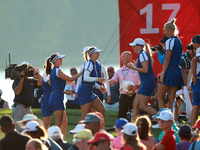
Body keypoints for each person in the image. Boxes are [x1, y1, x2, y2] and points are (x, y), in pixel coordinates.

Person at [48, 53, 82, 136]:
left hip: (55, 95)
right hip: (57, 97)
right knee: (58, 122)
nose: (61, 60)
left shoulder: (53, 71)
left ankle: (55, 138)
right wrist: (82, 72)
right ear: (55, 61)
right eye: (60, 59)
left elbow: (57, 85)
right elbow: (70, 78)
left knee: (61, 120)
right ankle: (52, 139)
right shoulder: (57, 71)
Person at [156, 18, 184, 110]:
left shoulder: (169, 41)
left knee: (159, 96)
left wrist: (163, 73)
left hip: (170, 70)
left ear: (168, 30)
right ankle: (173, 119)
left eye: (164, 30)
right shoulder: (178, 41)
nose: (164, 32)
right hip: (177, 70)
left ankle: (163, 117)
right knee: (172, 98)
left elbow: (167, 59)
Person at [127, 38, 157, 120]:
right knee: (135, 103)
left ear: (139, 46)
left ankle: (162, 119)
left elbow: (145, 70)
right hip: (145, 82)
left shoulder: (142, 54)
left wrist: (133, 67)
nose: (133, 48)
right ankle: (133, 123)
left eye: (134, 46)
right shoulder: (142, 54)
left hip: (148, 82)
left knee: (143, 106)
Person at [74, 46, 106, 121]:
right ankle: (78, 131)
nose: (98, 54)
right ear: (91, 54)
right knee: (84, 116)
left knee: (101, 109)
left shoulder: (94, 64)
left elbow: (90, 80)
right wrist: (98, 79)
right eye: (97, 53)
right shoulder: (89, 64)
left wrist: (99, 87)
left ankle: (94, 128)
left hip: (90, 92)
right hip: (84, 92)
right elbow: (85, 78)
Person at [12, 61, 42, 132]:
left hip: (28, 108)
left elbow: (41, 82)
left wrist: (36, 72)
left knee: (33, 128)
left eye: (29, 70)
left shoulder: (31, 81)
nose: (28, 71)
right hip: (19, 107)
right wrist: (22, 79)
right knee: (19, 130)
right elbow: (17, 92)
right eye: (26, 70)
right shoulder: (17, 80)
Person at [109, 51, 140, 119]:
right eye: (121, 57)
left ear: (129, 58)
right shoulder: (119, 71)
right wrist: (102, 82)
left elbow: (143, 82)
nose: (121, 59)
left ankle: (134, 128)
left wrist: (137, 86)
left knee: (135, 116)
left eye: (123, 57)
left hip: (135, 96)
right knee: (121, 116)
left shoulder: (136, 70)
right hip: (123, 96)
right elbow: (112, 82)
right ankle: (120, 128)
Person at [190, 35, 200, 127]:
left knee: (196, 105)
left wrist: (193, 77)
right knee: (196, 105)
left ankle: (193, 128)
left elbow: (194, 60)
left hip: (197, 81)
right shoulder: (198, 51)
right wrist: (194, 77)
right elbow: (194, 61)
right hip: (198, 80)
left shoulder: (198, 51)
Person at [40, 57, 52, 130]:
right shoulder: (45, 75)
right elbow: (52, 84)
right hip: (46, 99)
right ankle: (43, 139)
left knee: (63, 120)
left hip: (54, 98)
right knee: (46, 123)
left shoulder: (56, 73)